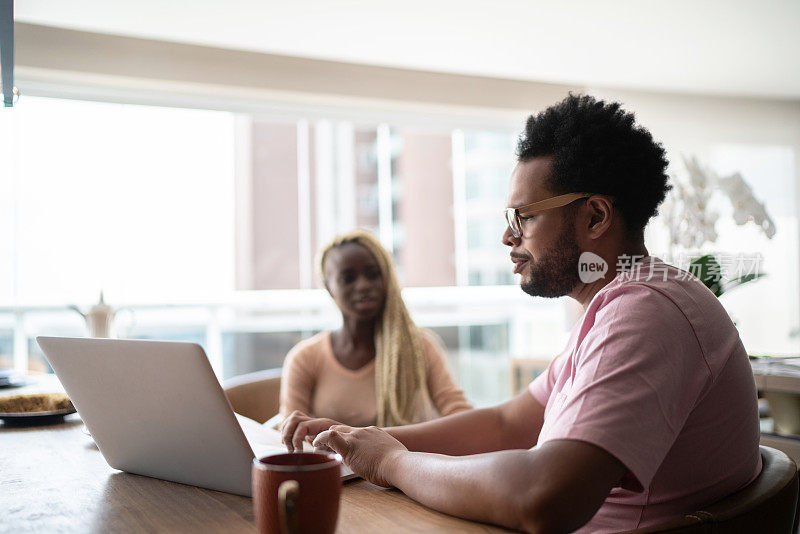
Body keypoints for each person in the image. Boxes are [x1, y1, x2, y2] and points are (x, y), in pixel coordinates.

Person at [282, 94, 762, 533]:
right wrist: (360, 442)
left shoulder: (645, 314)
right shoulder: (624, 303)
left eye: (524, 216)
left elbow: (542, 496)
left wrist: (392, 463)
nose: (508, 238)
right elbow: (507, 425)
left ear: (595, 217)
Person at [279, 229, 472, 428]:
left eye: (373, 274)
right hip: (331, 460)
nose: (363, 285)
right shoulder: (305, 357)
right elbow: (290, 436)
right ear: (329, 288)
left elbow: (459, 414)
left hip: (406, 458)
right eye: (348, 278)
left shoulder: (420, 346)